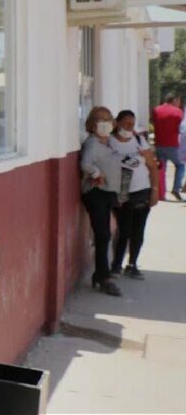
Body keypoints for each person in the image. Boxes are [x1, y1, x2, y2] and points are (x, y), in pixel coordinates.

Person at [108, 110, 159, 279]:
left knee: (138, 229)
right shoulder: (109, 142)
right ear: (117, 123)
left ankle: (132, 264)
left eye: (132, 124)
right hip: (121, 191)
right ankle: (116, 265)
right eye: (126, 123)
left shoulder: (139, 140)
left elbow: (152, 166)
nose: (130, 127)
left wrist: (154, 190)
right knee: (124, 229)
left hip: (142, 189)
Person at [79, 106, 122, 296]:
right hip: (96, 193)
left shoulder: (109, 142)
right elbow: (85, 163)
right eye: (99, 119)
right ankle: (103, 277)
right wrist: (97, 173)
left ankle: (101, 274)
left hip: (108, 193)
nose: (104, 123)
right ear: (92, 123)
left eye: (108, 119)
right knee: (103, 234)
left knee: (105, 233)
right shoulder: (92, 143)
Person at [152, 94, 183, 200]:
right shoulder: (178, 112)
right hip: (173, 145)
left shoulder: (156, 109)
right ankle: (176, 189)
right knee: (180, 165)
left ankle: (161, 193)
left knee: (162, 169)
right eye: (178, 101)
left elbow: (154, 122)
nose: (179, 104)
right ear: (175, 100)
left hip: (159, 144)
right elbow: (181, 129)